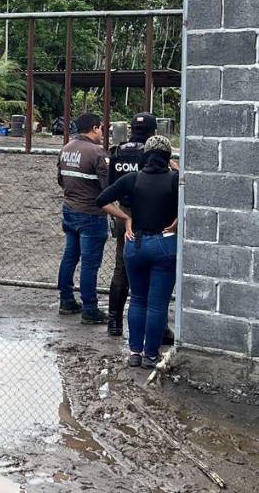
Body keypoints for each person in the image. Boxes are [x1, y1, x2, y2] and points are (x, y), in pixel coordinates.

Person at [96, 136, 179, 368]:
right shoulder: (175, 180)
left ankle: (134, 352)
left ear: (145, 155)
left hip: (136, 244)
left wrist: (126, 218)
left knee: (138, 300)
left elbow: (101, 199)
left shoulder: (133, 179)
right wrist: (178, 221)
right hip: (164, 243)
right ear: (167, 157)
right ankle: (151, 355)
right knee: (157, 305)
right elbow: (194, 195)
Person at [105, 112, 158, 337]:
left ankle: (114, 322)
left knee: (121, 268)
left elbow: (110, 186)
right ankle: (153, 324)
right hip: (151, 213)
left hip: (123, 212)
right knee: (153, 266)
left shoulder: (117, 152)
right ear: (152, 132)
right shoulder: (152, 154)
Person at [57, 113, 110, 324]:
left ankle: (66, 300)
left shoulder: (66, 148)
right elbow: (108, 188)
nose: (102, 133)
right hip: (92, 214)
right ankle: (90, 308)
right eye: (101, 129)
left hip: (70, 209)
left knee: (70, 256)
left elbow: (60, 179)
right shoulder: (96, 152)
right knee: (90, 263)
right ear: (95, 128)